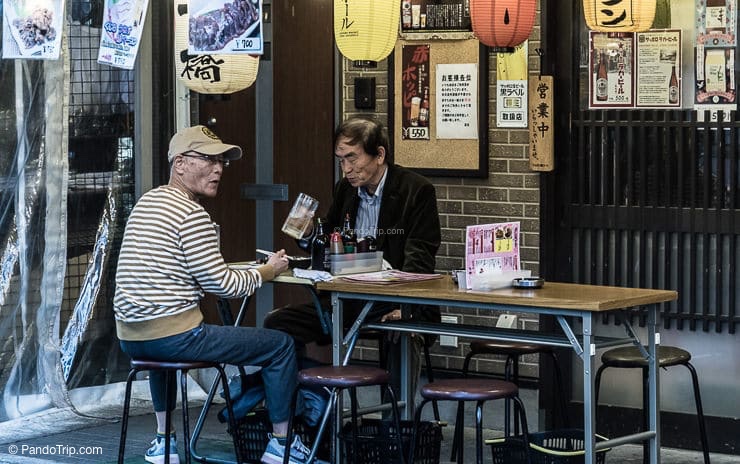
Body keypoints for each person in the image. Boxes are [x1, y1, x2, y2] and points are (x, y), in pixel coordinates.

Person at [113, 125, 312, 464]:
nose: (218, 169)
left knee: (164, 357)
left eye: (221, 162)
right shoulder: (192, 214)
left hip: (130, 337)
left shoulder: (148, 201)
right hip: (176, 337)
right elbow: (223, 285)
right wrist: (268, 270)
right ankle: (282, 445)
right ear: (180, 164)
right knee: (279, 345)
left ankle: (164, 442)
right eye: (208, 159)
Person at [264, 116, 441, 400]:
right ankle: (310, 404)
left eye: (351, 158)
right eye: (340, 160)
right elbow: (329, 242)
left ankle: (396, 428)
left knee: (401, 331)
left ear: (379, 154)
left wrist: (405, 307)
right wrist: (309, 233)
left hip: (394, 298)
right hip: (347, 297)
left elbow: (419, 256)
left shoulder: (415, 190)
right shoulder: (345, 190)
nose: (346, 169)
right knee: (278, 323)